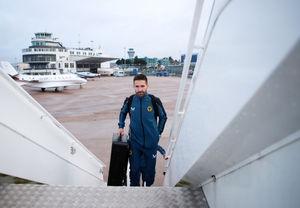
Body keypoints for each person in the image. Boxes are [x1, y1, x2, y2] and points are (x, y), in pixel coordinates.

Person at [118, 74, 167, 186]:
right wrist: (121, 126)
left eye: (142, 86)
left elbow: (163, 117)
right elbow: (122, 112)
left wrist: (157, 132)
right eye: (137, 86)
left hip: (151, 145)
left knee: (149, 172)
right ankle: (135, 191)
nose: (140, 89)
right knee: (134, 170)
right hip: (135, 143)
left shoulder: (154, 101)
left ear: (147, 86)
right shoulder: (130, 100)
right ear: (133, 87)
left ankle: (147, 188)